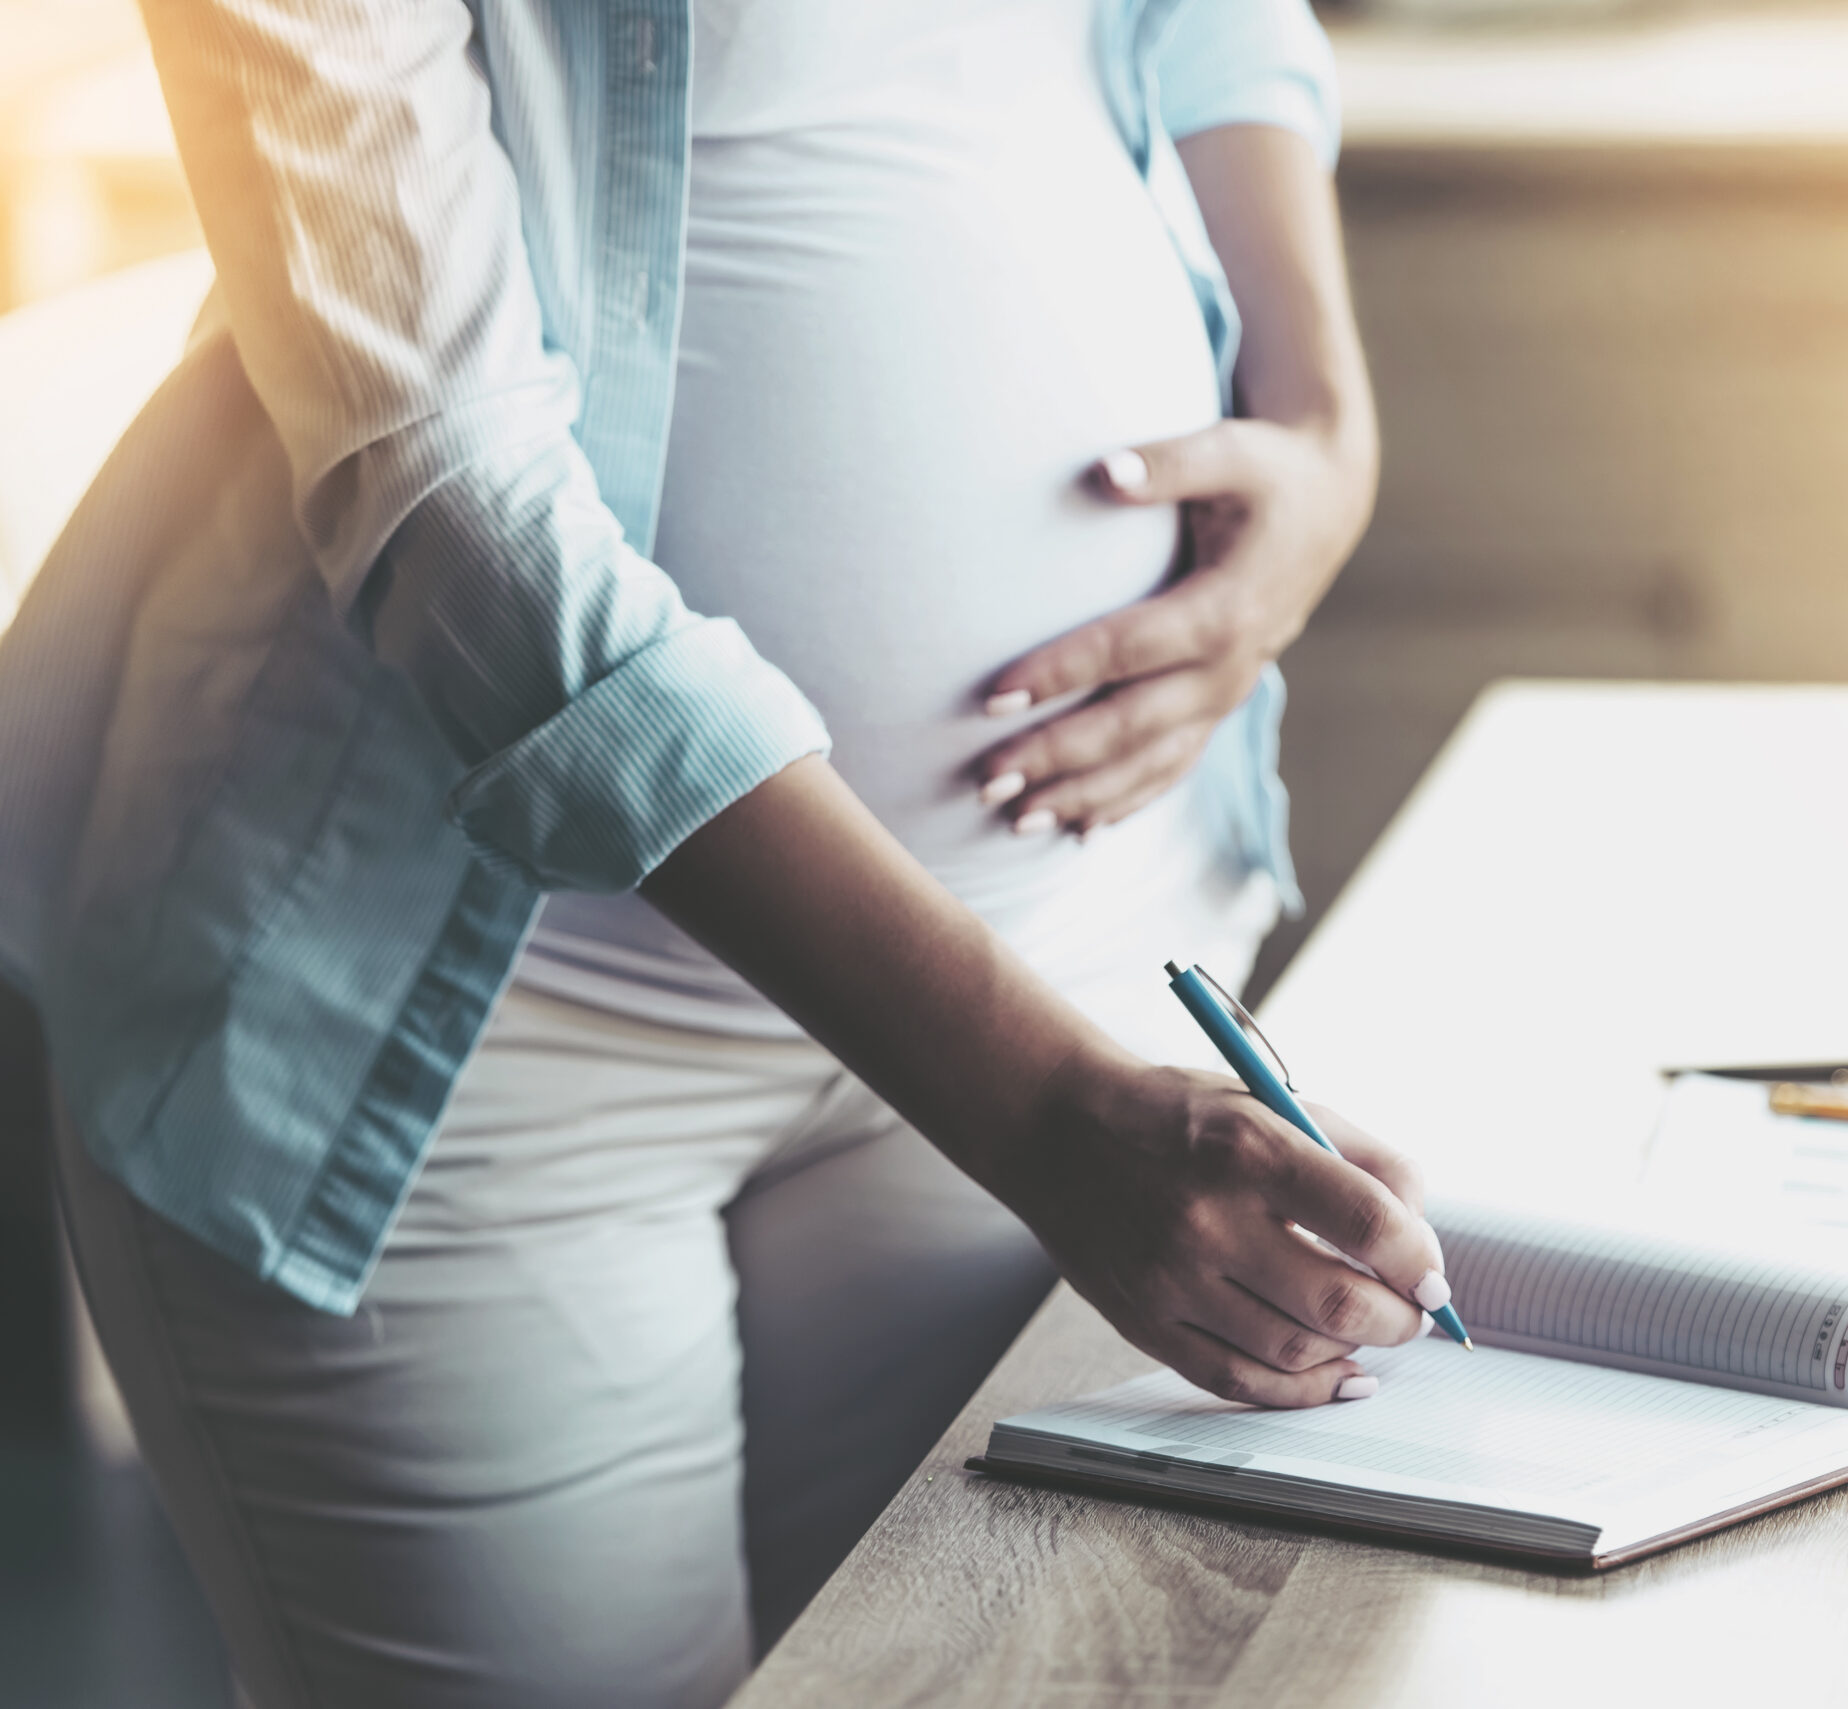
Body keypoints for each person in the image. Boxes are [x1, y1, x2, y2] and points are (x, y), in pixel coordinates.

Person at [0, 2, 1447, 1704]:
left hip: (1074, 932)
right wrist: (1048, 1111)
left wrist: (1326, 431)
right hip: (474, 1059)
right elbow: (449, 491)